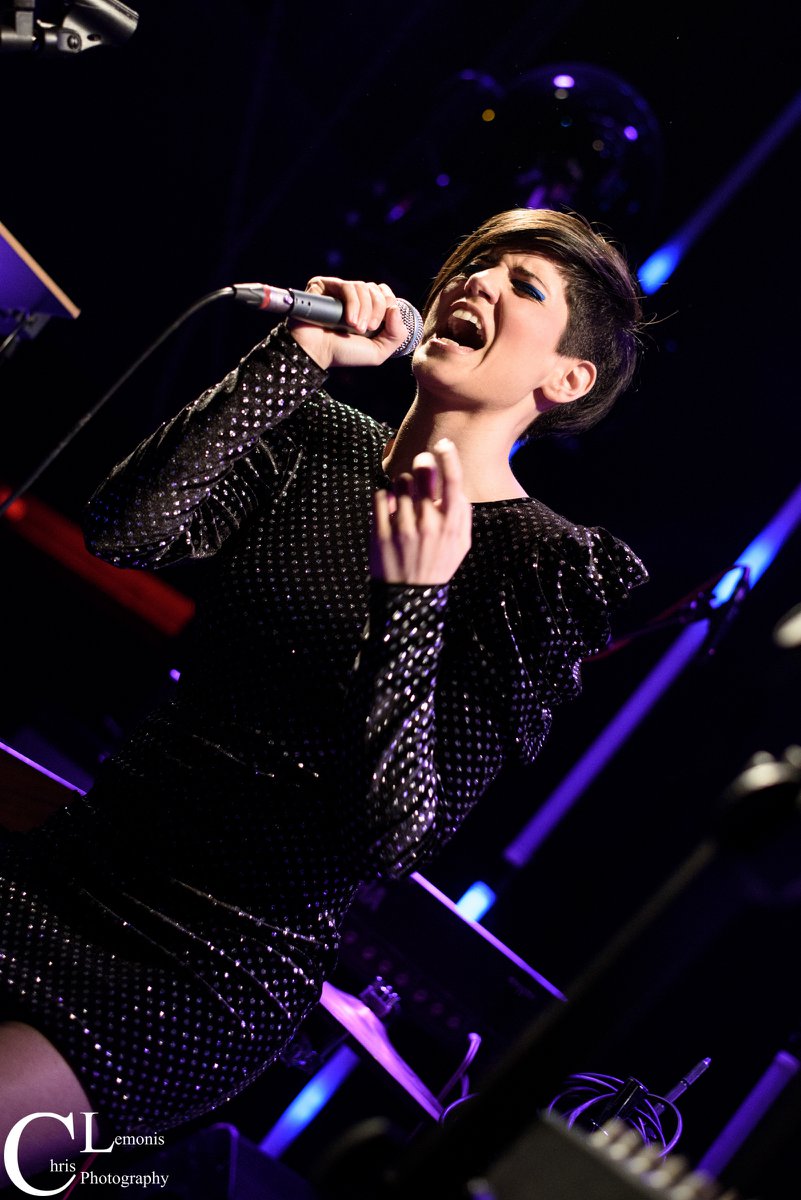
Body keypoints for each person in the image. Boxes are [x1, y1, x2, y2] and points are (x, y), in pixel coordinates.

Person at [0, 207, 647, 1185]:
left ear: (566, 379)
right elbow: (127, 529)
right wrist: (296, 355)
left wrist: (415, 600)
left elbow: (399, 832)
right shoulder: (321, 436)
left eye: (523, 286)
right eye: (477, 261)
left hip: (202, 968)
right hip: (74, 867)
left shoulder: (541, 568)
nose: (476, 280)